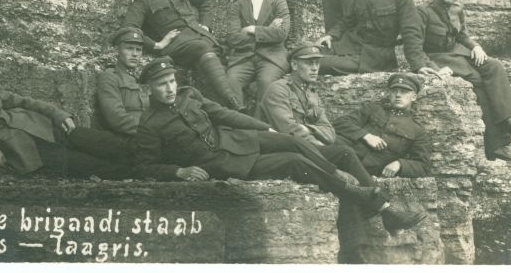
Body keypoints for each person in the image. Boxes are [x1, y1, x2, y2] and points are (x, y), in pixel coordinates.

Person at [134, 56, 426, 233]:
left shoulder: (189, 94)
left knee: (294, 141)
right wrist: (178, 172)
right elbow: (144, 166)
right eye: (162, 85)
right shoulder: (150, 125)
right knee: (293, 161)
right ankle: (380, 206)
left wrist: (264, 126)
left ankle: (340, 179)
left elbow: (224, 114)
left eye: (172, 81)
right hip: (225, 163)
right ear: (150, 88)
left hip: (239, 141)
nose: (170, 88)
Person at [0, 28, 130, 178]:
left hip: (39, 127)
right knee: (96, 166)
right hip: (24, 150)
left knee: (107, 143)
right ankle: (150, 171)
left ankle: (154, 154)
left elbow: (16, 99)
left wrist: (56, 113)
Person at [417, 0, 511, 162]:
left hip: (457, 54)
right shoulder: (423, 11)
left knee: (494, 65)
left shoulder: (457, 9)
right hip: (438, 57)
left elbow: (461, 35)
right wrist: (433, 69)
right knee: (477, 80)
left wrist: (476, 46)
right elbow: (415, 45)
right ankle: (497, 143)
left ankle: (508, 119)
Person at [122, 0, 242, 110]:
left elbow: (205, 0)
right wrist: (156, 45)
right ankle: (235, 104)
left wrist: (205, 25)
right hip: (176, 45)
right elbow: (129, 28)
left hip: (200, 37)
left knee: (219, 56)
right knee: (203, 48)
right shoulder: (143, 0)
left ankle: (224, 111)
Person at [257, 42, 386, 188]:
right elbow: (288, 129)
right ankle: (378, 201)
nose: (314, 68)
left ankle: (374, 198)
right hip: (284, 151)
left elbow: (330, 131)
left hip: (308, 148)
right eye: (309, 63)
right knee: (345, 153)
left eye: (317, 63)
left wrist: (309, 129)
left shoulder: (312, 95)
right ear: (294, 64)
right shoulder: (278, 89)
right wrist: (320, 145)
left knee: (350, 152)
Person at [333, 73, 432, 178]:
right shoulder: (373, 109)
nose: (398, 95)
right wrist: (366, 136)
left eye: (404, 92)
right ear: (389, 94)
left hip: (367, 174)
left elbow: (423, 166)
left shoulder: (416, 130)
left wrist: (400, 164)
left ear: (414, 97)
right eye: (394, 91)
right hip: (343, 160)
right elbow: (340, 123)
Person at [225, 0, 289, 110]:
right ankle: (239, 121)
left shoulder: (279, 2)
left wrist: (251, 29)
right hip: (244, 57)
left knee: (266, 82)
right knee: (230, 81)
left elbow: (281, 33)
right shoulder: (237, 6)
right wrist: (267, 30)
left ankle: (260, 126)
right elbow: (233, 38)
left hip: (271, 57)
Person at [95, 27, 150, 144]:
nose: (135, 54)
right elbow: (116, 118)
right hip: (128, 139)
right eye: (129, 49)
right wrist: (151, 132)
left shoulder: (140, 80)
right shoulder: (110, 77)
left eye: (138, 50)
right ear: (117, 50)